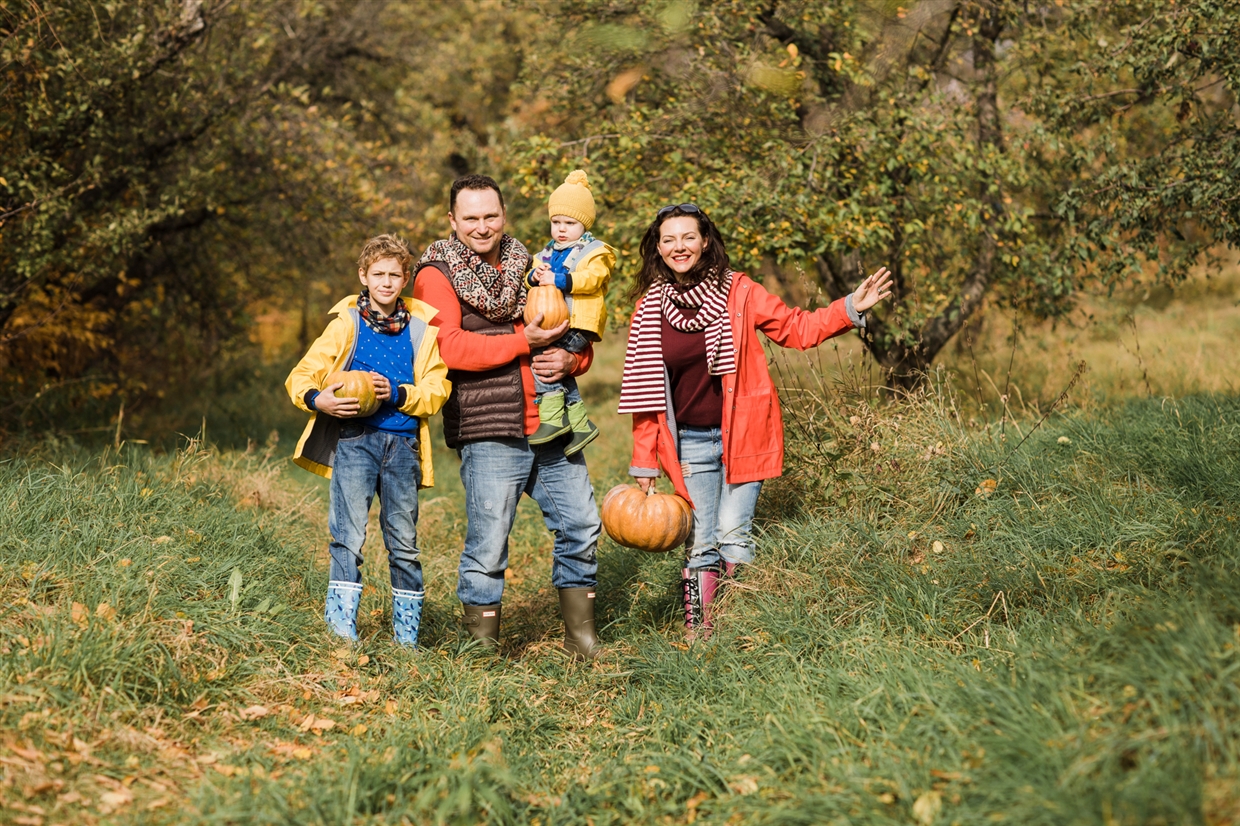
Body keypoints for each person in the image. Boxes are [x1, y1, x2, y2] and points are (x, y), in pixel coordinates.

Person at [617, 204, 893, 637]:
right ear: (657, 247)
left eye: (688, 237)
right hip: (688, 442)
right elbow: (645, 397)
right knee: (701, 541)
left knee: (733, 534)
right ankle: (701, 632)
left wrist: (849, 308)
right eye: (668, 239)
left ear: (705, 241)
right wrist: (645, 463)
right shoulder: (650, 308)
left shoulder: (740, 292)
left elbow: (795, 328)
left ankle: (740, 623)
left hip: (743, 433)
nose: (679, 247)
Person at [413, 174, 605, 659]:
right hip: (490, 427)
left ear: (504, 216)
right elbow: (447, 348)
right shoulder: (435, 273)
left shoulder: (534, 264)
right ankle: (482, 652)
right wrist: (526, 342)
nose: (482, 227)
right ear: (452, 221)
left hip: (552, 418)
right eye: (471, 218)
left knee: (581, 524)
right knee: (489, 543)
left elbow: (573, 327)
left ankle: (582, 643)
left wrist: (572, 360)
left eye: (491, 216)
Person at [286, 234, 451, 647]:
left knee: (405, 543)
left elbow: (437, 387)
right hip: (355, 441)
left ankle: (407, 639)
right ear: (363, 275)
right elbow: (302, 375)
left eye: (395, 274)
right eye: (378, 274)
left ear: (406, 278)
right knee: (348, 536)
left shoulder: (420, 329)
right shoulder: (347, 323)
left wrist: (397, 394)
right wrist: (317, 399)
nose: (386, 282)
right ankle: (342, 632)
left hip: (402, 447)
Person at [524, 170, 616, 455]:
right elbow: (530, 275)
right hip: (559, 320)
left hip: (579, 323)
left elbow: (593, 279)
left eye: (569, 223)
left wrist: (559, 279)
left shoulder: (595, 252)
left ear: (584, 224)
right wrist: (534, 276)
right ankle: (579, 423)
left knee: (544, 361)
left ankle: (552, 419)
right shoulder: (548, 252)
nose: (561, 229)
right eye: (556, 222)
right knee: (561, 370)